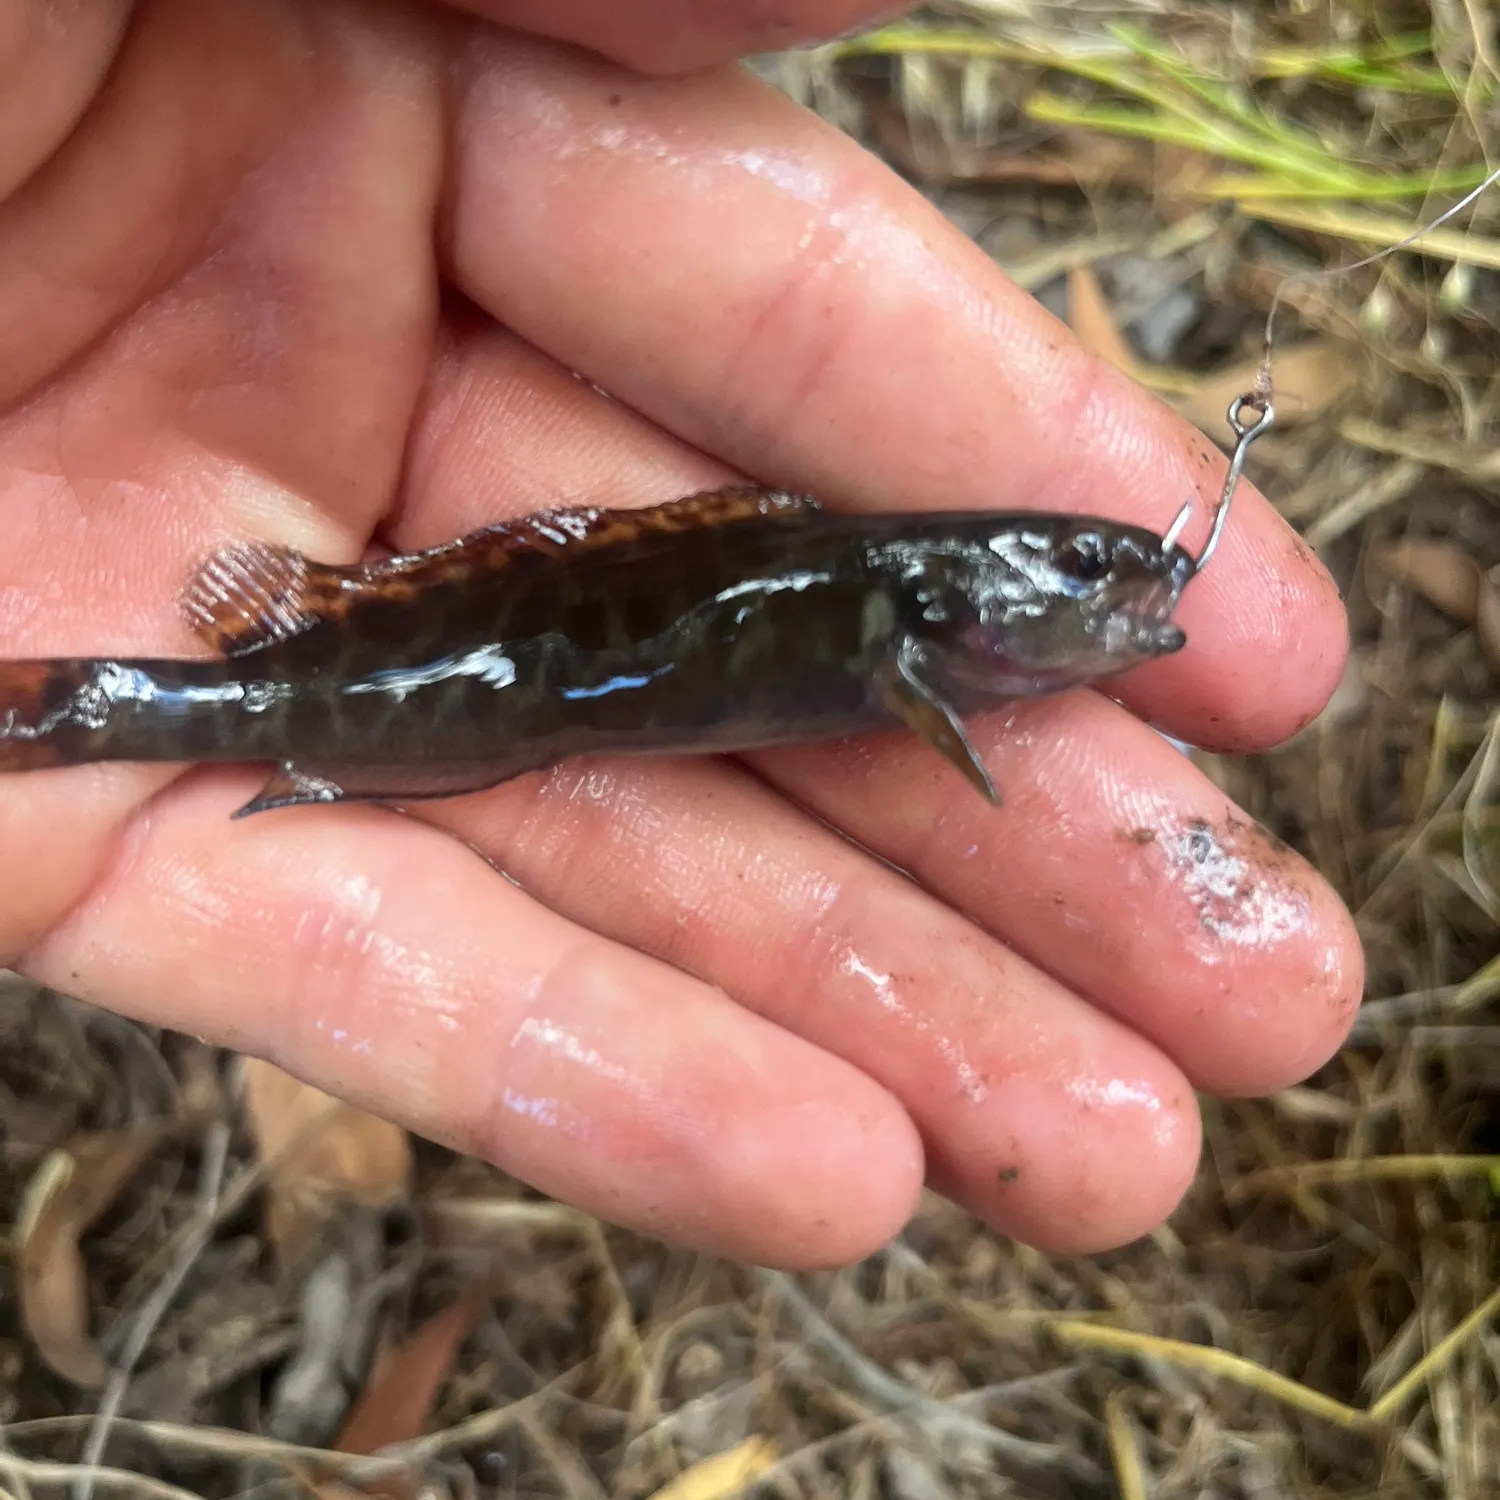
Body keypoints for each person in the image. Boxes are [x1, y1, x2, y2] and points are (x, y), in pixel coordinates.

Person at [0, 0, 1360, 1270]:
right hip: (442, 657)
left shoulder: (919, 632)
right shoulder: (913, 645)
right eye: (1077, 563)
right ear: (955, 601)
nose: (1113, 583)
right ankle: (89, 711)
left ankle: (99, 713)